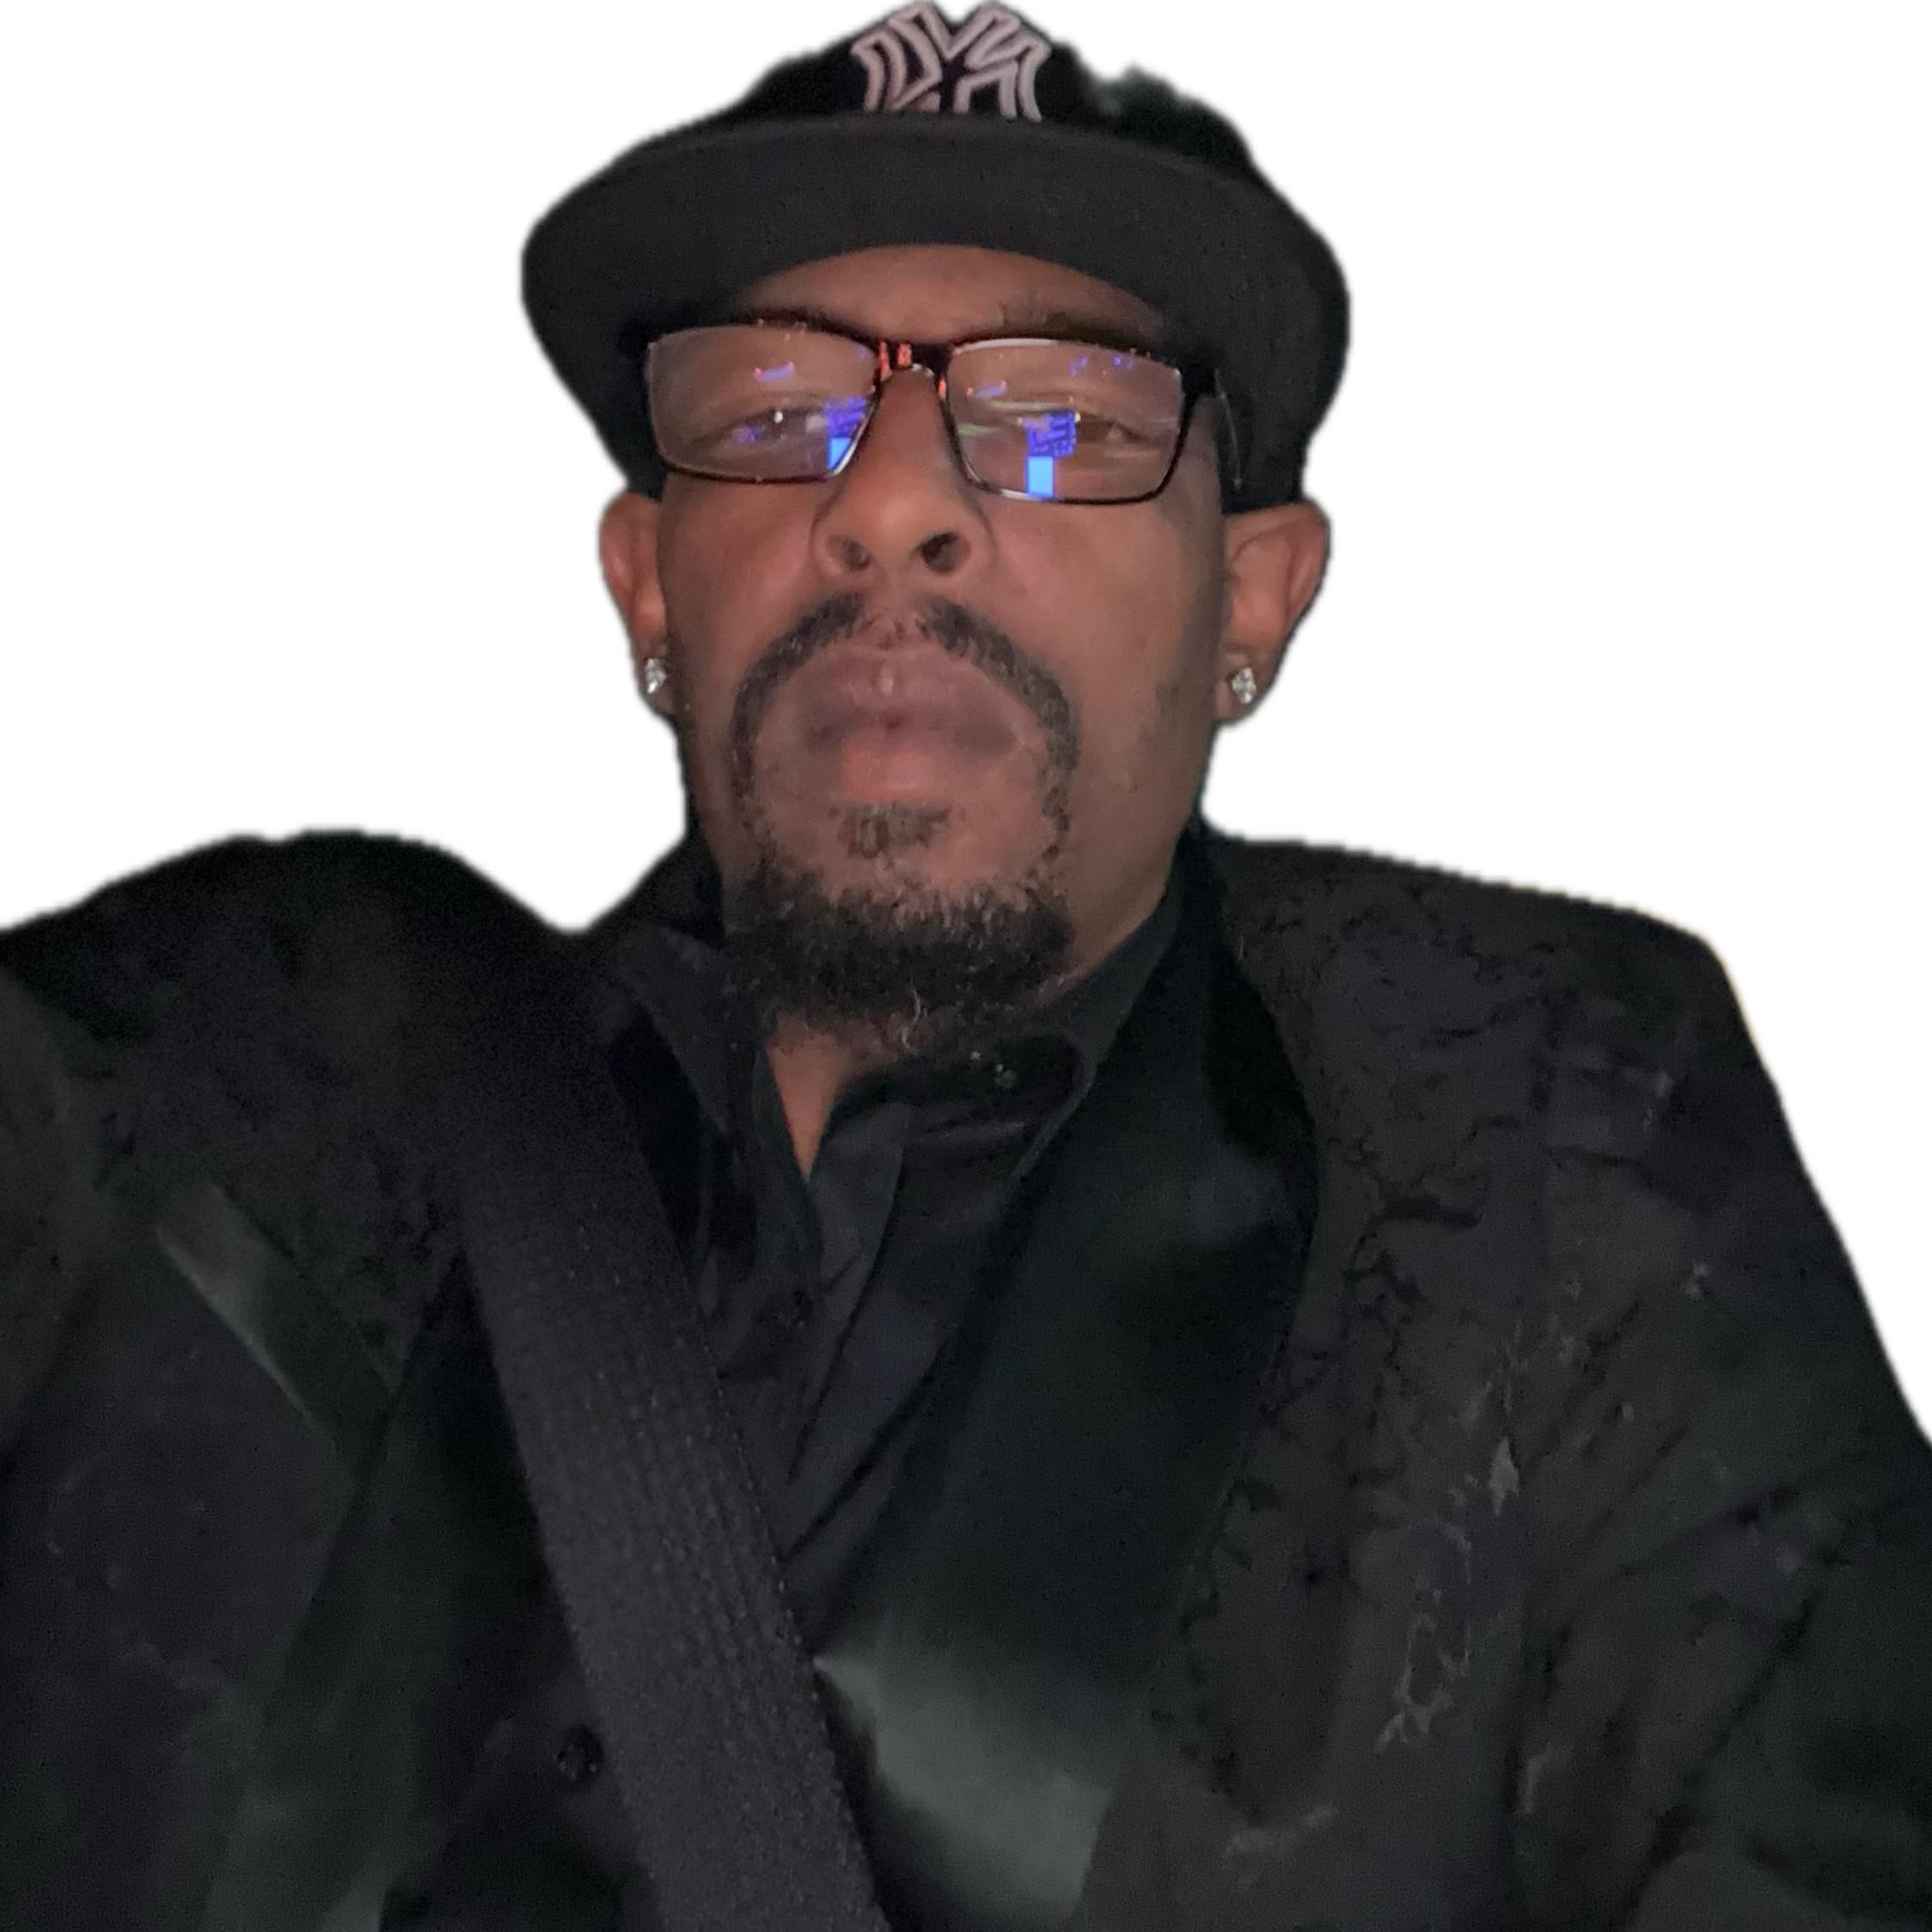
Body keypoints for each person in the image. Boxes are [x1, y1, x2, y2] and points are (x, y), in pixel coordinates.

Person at [2, 5, 1928, 1929]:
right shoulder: (253, 1056)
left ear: (1253, 599)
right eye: (776, 414)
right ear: (650, 582)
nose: (887, 502)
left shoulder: (1545, 1133)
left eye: (1065, 421)